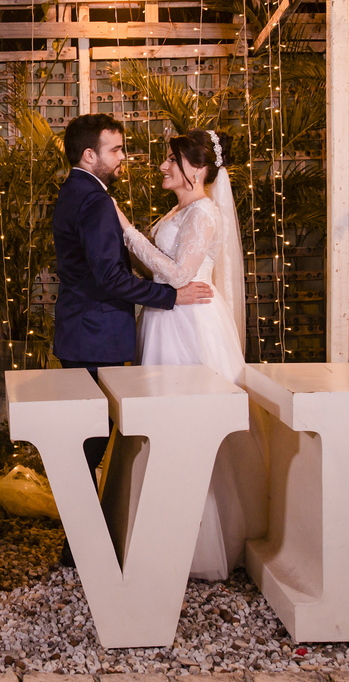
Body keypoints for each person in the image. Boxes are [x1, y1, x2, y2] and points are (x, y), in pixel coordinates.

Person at [52, 114, 213, 566]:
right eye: (117, 150)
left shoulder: (75, 191)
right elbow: (108, 278)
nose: (125, 158)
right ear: (91, 154)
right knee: (92, 442)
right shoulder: (96, 202)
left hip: (82, 332)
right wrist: (169, 295)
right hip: (96, 336)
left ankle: (80, 546)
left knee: (89, 440)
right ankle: (81, 550)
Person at [113, 129, 267, 580]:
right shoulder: (181, 208)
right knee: (161, 423)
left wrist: (127, 232)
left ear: (195, 170)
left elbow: (180, 274)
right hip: (167, 316)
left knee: (189, 425)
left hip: (190, 324)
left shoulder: (203, 213)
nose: (162, 166)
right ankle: (163, 529)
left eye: (171, 160)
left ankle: (201, 541)